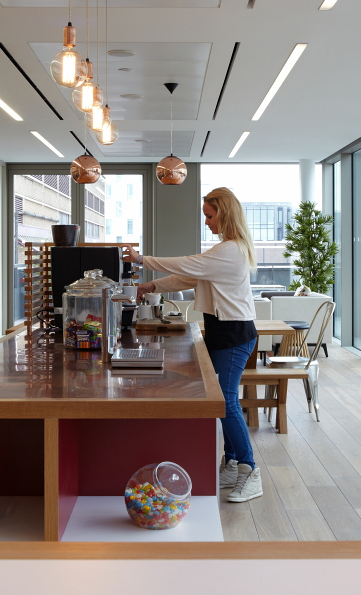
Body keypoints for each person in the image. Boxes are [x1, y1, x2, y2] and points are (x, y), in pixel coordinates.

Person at [123, 187, 262, 502]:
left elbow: (188, 265)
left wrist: (142, 259)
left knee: (225, 402)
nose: (207, 222)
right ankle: (232, 463)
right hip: (223, 330)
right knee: (223, 400)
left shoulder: (230, 250)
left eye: (210, 216)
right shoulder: (225, 249)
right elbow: (189, 278)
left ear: (224, 214)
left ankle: (250, 470)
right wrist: (151, 285)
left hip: (233, 333)